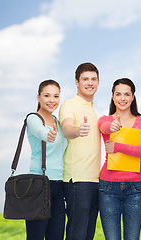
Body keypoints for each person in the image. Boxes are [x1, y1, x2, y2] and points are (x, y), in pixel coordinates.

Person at [98, 78, 141, 240]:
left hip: (135, 188)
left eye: (126, 94)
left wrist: (118, 147)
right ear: (113, 97)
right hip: (108, 187)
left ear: (133, 97)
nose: (122, 98)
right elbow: (104, 127)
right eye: (118, 94)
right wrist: (112, 127)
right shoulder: (106, 120)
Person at [59, 63, 101, 240]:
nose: (89, 83)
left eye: (93, 79)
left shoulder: (94, 110)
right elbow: (67, 128)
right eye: (85, 79)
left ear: (98, 82)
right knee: (77, 235)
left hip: (95, 180)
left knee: (88, 235)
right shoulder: (69, 105)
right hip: (77, 180)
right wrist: (77, 131)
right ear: (77, 82)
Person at [26, 79, 67, 240]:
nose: (52, 100)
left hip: (59, 185)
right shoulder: (33, 119)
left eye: (56, 96)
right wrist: (48, 135)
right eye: (47, 96)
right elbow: (40, 132)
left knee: (56, 236)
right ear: (38, 97)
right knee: (36, 236)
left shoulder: (57, 122)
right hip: (39, 185)